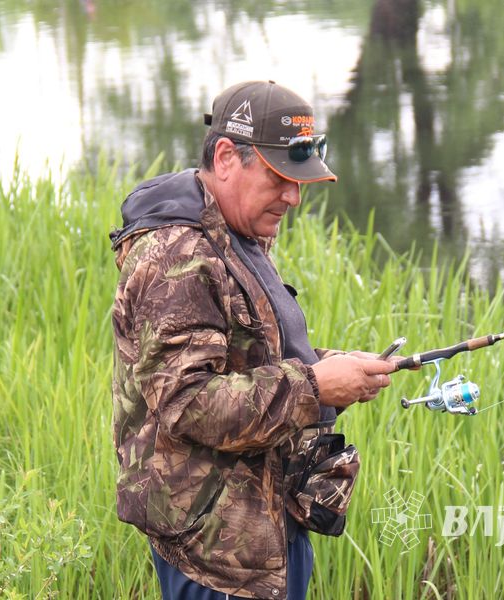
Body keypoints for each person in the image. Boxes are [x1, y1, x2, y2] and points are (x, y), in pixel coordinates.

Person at [110, 80, 404, 599]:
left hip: (267, 523)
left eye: (299, 182)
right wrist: (314, 386)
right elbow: (187, 403)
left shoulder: (237, 231)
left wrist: (336, 368)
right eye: (279, 178)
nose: (293, 197)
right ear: (226, 157)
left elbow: (247, 359)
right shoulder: (176, 254)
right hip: (215, 552)